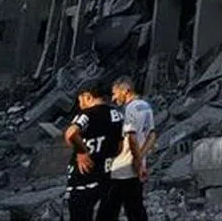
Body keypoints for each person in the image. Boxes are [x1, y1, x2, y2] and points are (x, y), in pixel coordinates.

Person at [64, 80, 124, 221]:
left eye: (80, 98)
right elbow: (121, 145)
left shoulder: (86, 114)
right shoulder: (116, 115)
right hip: (107, 178)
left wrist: (81, 152)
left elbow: (71, 133)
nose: (79, 103)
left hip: (82, 179)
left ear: (88, 97)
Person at [99, 76, 156, 221]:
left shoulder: (129, 108)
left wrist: (136, 161)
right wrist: (141, 159)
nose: (113, 98)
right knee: (134, 208)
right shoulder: (145, 106)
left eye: (115, 93)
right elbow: (152, 135)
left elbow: (131, 138)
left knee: (109, 209)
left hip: (122, 168)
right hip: (134, 168)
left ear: (126, 90)